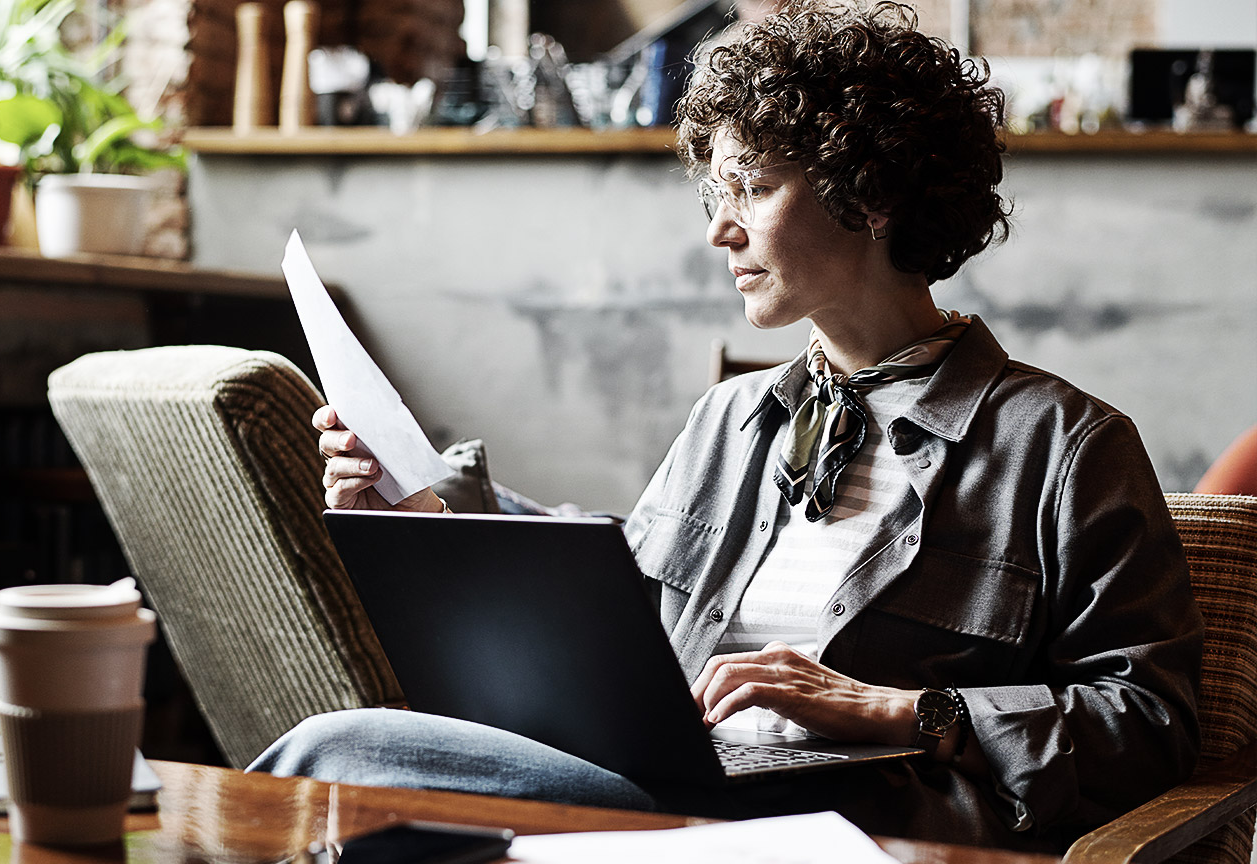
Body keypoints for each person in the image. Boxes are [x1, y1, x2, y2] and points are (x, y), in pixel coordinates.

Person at [249, 1, 1202, 853]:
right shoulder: (733, 417)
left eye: (749, 187)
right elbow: (616, 604)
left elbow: (1152, 726)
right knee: (364, 775)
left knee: (345, 750)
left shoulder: (1066, 447)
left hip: (856, 827)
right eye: (716, 195)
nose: (721, 230)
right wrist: (423, 514)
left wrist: (904, 711)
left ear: (866, 193)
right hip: (674, 790)